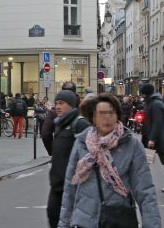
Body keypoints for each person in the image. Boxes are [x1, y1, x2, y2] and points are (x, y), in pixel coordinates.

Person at [59, 94, 161, 228]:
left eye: (111, 112)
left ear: (118, 115)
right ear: (93, 118)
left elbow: (145, 190)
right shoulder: (81, 143)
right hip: (84, 221)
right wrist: (63, 224)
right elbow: (69, 189)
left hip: (118, 219)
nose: (107, 117)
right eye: (102, 113)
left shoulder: (131, 144)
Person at [47, 89, 89, 228]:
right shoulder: (60, 123)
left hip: (72, 187)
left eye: (61, 103)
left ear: (71, 105)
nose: (57, 107)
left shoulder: (80, 124)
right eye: (56, 103)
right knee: (53, 216)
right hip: (57, 185)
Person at [141, 83, 164, 191]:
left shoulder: (155, 103)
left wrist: (152, 139)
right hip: (150, 138)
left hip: (157, 139)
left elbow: (157, 122)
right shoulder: (150, 102)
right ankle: (145, 185)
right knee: (145, 162)